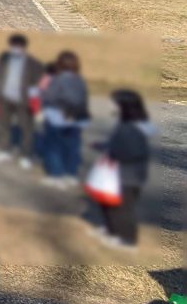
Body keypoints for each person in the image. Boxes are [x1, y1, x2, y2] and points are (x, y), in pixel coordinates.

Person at [91, 90, 154, 249]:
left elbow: (133, 152)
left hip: (128, 176)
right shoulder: (124, 123)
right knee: (108, 204)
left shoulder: (136, 127)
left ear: (124, 106)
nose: (110, 106)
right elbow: (117, 143)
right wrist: (104, 146)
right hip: (116, 174)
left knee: (123, 209)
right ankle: (112, 231)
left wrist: (113, 153)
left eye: (114, 103)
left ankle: (128, 240)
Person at [0, 33, 43, 166]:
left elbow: (37, 81)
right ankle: (4, 150)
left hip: (23, 99)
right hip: (5, 98)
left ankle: (26, 155)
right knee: (4, 124)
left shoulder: (31, 62)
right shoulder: (3, 60)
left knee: (25, 127)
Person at [39, 51, 90, 187]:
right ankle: (71, 174)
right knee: (72, 147)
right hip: (77, 118)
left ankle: (57, 175)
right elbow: (83, 98)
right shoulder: (79, 80)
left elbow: (49, 97)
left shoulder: (58, 79)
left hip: (57, 117)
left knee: (54, 147)